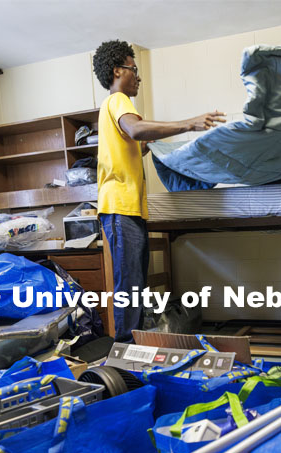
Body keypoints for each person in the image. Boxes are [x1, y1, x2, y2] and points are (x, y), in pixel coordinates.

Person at [92, 40, 225, 343]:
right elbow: (138, 130)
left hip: (128, 208)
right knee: (129, 284)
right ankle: (124, 351)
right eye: (134, 69)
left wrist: (157, 145)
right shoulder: (118, 100)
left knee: (135, 283)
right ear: (117, 71)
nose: (137, 76)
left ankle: (131, 345)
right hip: (120, 206)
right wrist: (189, 124)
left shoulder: (115, 109)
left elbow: (137, 144)